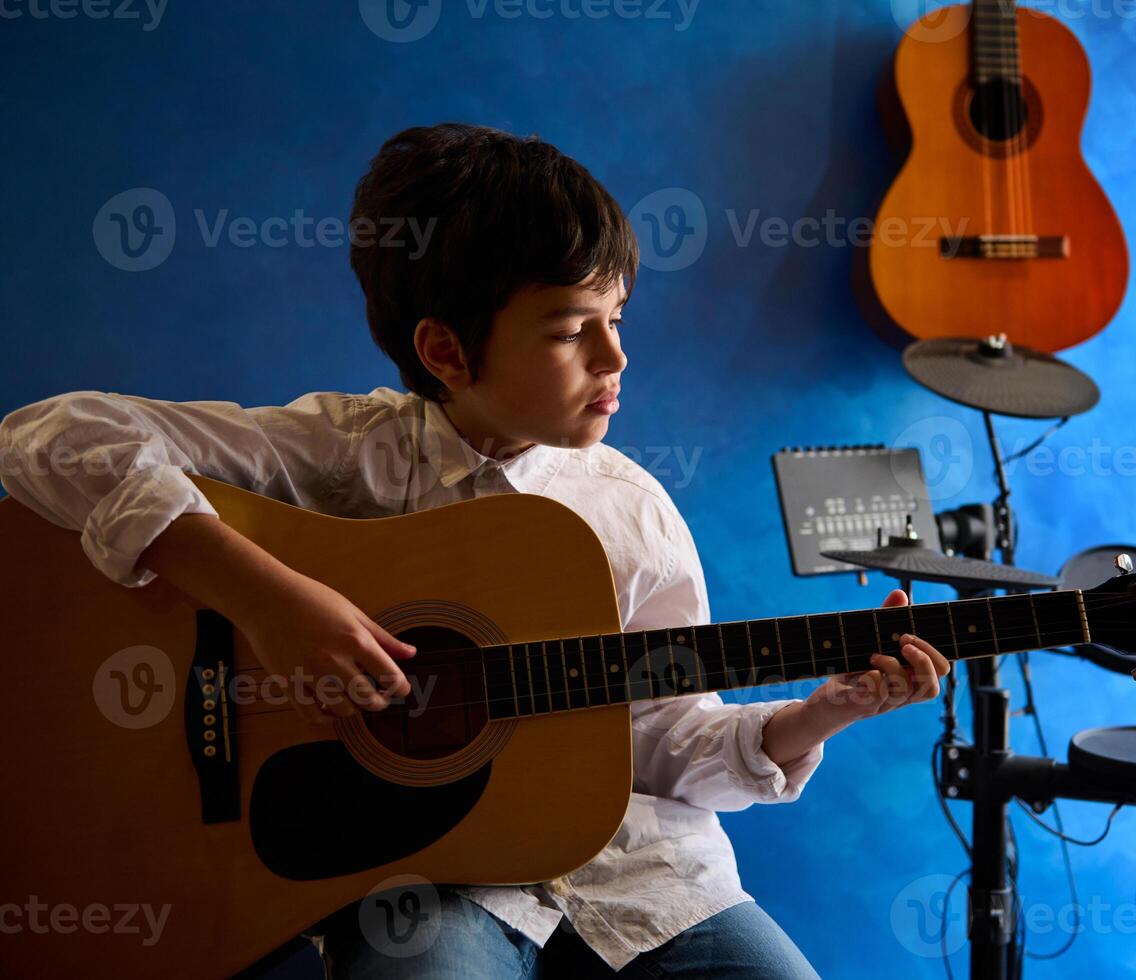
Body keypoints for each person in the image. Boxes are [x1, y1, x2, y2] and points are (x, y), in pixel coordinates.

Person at [0, 123, 951, 979]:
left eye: (617, 320)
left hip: (648, 878)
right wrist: (269, 600)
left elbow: (665, 741)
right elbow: (49, 436)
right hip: (427, 878)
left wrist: (819, 714)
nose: (614, 359)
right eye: (573, 330)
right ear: (447, 352)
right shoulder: (346, 457)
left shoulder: (631, 509)